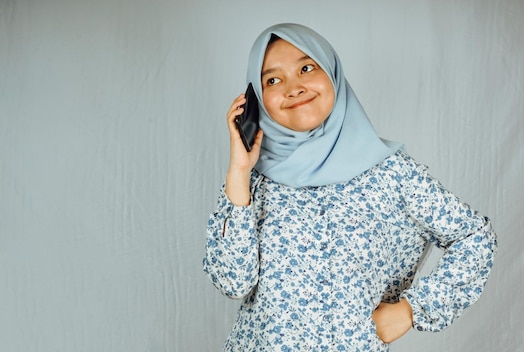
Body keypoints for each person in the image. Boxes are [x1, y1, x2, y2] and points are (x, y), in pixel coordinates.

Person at [204, 23, 497, 351]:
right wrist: (240, 170)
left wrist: (411, 310)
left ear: (332, 72)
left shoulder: (389, 173)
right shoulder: (251, 182)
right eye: (272, 79)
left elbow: (474, 237)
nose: (294, 87)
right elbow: (233, 282)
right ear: (257, 99)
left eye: (306, 67)